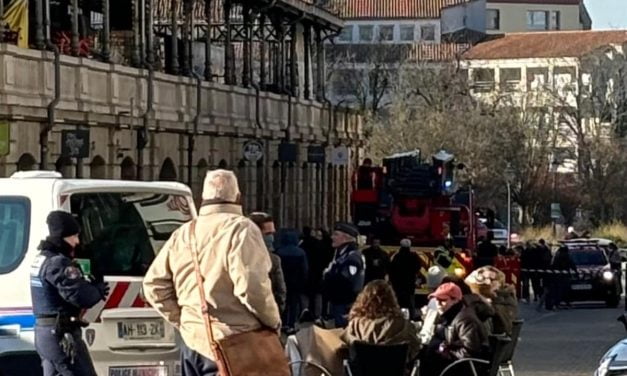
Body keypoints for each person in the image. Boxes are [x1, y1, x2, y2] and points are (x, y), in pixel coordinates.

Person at [143, 169, 281, 376]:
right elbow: (251, 287)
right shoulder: (241, 228)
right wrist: (272, 320)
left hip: (193, 344)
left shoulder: (184, 232)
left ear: (203, 198)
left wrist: (184, 320)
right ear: (237, 197)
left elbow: (153, 285)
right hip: (235, 342)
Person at [30, 211, 110, 376]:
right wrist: (97, 289)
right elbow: (81, 296)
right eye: (73, 236)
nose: (77, 241)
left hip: (45, 334)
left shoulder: (41, 259)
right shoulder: (58, 263)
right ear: (62, 236)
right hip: (61, 336)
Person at [342, 280, 421, 365]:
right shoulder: (403, 326)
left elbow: (345, 346)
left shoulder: (355, 325)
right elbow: (415, 348)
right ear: (392, 299)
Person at [419, 283, 489, 376]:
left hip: (459, 368)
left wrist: (446, 352)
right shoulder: (450, 315)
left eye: (443, 300)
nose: (438, 303)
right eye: (436, 299)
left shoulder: (465, 320)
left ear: (455, 300)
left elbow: (470, 352)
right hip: (447, 364)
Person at [322, 222, 365, 328]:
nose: (332, 237)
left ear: (346, 238)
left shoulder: (352, 258)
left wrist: (328, 276)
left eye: (336, 234)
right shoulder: (341, 255)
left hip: (345, 304)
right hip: (338, 302)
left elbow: (347, 281)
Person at [249, 212, 287, 314]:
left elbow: (281, 291)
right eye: (268, 234)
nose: (271, 238)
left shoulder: (274, 260)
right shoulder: (239, 257)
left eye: (272, 233)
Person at [276, 229, 309, 332]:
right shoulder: (300, 252)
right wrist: (303, 280)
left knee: (283, 302)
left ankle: (283, 322)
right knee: (294, 303)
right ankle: (291, 324)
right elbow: (304, 268)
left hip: (283, 281)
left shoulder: (279, 251)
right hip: (296, 282)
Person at [302, 226, 330, 319]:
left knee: (310, 294)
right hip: (318, 272)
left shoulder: (304, 244)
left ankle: (308, 313)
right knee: (317, 295)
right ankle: (318, 315)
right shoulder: (320, 245)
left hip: (311, 272)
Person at [389, 239, 421, 318]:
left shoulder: (397, 256)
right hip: (409, 283)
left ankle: (395, 316)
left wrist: (391, 281)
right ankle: (412, 316)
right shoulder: (413, 256)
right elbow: (418, 267)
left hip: (398, 283)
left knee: (397, 301)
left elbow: (392, 269)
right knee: (410, 301)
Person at [549, 246, 576, 310]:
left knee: (558, 291)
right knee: (566, 290)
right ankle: (566, 303)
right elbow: (572, 264)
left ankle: (557, 304)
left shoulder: (557, 257)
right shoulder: (567, 256)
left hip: (557, 276)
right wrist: (575, 271)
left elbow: (552, 266)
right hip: (565, 276)